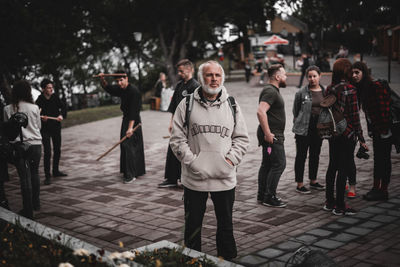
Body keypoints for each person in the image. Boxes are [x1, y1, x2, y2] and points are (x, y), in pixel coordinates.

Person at [170, 60, 249, 260]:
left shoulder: (232, 105)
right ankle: (191, 261)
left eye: (217, 75)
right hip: (194, 179)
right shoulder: (186, 104)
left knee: (226, 226)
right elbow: (176, 140)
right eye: (209, 75)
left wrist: (229, 161)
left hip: (224, 178)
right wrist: (193, 163)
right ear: (201, 77)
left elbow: (241, 138)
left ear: (222, 78)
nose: (213, 79)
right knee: (193, 227)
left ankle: (227, 261)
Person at [323, 58, 367, 216]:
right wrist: (361, 137)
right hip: (347, 134)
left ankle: (329, 201)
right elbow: (355, 117)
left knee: (332, 165)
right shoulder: (350, 89)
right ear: (346, 71)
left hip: (333, 133)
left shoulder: (329, 88)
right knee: (344, 168)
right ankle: (340, 205)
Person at [351, 61, 392, 201]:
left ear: (364, 73)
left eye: (357, 72)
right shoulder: (364, 88)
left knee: (384, 160)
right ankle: (376, 188)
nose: (354, 75)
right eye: (352, 73)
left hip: (384, 131)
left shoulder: (375, 86)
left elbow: (384, 109)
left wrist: (382, 130)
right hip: (377, 130)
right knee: (379, 160)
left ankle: (383, 190)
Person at [158, 59, 200, 188]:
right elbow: (174, 106)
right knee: (173, 149)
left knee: (187, 151)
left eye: (181, 71)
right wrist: (171, 123)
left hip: (189, 126)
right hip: (178, 124)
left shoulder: (196, 86)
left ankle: (186, 178)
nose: (179, 73)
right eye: (179, 71)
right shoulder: (179, 85)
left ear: (190, 70)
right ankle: (171, 178)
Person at [4, 80, 42, 219]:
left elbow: (8, 131)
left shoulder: (8, 109)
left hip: (19, 146)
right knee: (35, 173)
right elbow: (39, 127)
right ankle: (36, 203)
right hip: (36, 144)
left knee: (24, 178)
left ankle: (27, 209)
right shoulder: (35, 108)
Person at [99, 71, 146, 183]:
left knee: (129, 146)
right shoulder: (122, 89)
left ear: (126, 79)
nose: (119, 83)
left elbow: (134, 111)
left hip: (133, 121)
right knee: (125, 146)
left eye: (121, 80)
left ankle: (131, 174)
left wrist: (130, 128)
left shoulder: (134, 91)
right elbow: (110, 89)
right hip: (126, 120)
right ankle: (130, 171)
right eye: (117, 81)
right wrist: (102, 79)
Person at [257, 64, 288, 208]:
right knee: (279, 164)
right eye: (284, 74)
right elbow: (261, 112)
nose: (285, 77)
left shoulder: (272, 90)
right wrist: (268, 133)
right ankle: (269, 197)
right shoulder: (271, 91)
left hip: (270, 136)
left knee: (267, 164)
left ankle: (262, 194)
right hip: (273, 137)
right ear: (277, 76)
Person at [292, 66, 325, 194]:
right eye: (309, 76)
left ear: (319, 76)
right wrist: (299, 121)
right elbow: (296, 110)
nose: (312, 79)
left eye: (314, 76)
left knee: (315, 155)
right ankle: (299, 184)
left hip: (319, 127)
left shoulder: (325, 91)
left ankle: (313, 180)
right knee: (301, 155)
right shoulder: (301, 92)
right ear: (307, 78)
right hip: (303, 128)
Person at [36, 79, 67, 185]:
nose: (51, 89)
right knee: (48, 152)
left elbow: (63, 108)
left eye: (51, 87)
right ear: (43, 89)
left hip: (56, 127)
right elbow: (36, 114)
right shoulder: (39, 100)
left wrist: (61, 115)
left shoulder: (55, 97)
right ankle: (47, 175)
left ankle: (55, 171)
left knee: (57, 149)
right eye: (49, 87)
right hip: (45, 129)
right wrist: (41, 118)